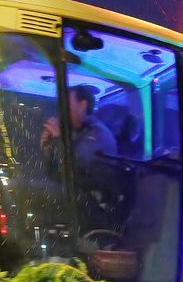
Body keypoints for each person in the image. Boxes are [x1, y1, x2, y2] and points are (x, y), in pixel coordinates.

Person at [41, 84, 125, 230]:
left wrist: (56, 139)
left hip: (95, 206)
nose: (63, 112)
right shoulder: (79, 134)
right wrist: (48, 148)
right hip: (80, 199)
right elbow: (56, 175)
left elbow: (74, 164)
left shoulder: (97, 134)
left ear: (82, 105)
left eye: (67, 105)